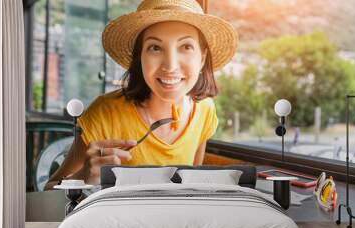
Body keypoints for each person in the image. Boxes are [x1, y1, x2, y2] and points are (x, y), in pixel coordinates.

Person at [44, 0, 238, 189]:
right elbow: (48, 190)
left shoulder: (204, 110)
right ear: (140, 57)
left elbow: (191, 187)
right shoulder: (104, 114)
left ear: (202, 57)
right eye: (155, 47)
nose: (170, 66)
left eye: (186, 47)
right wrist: (83, 176)